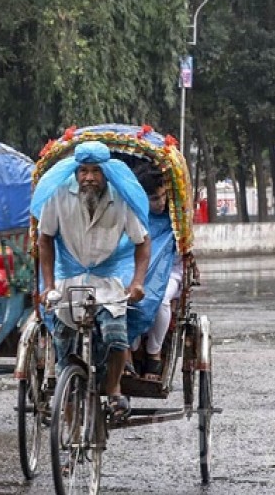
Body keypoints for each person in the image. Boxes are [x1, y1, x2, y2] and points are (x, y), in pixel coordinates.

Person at [32, 141, 150, 421]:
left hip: (107, 282)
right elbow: (44, 240)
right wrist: (48, 285)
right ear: (76, 172)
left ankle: (113, 388)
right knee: (63, 342)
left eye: (96, 171)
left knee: (116, 337)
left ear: (106, 172)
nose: (89, 177)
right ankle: (67, 397)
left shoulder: (121, 199)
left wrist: (137, 282)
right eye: (83, 171)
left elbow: (142, 242)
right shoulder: (59, 194)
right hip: (68, 282)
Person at [128, 164, 183, 382]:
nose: (161, 203)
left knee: (160, 300)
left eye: (163, 196)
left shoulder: (175, 216)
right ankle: (132, 350)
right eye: (154, 199)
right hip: (136, 269)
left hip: (170, 270)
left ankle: (154, 353)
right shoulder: (133, 216)